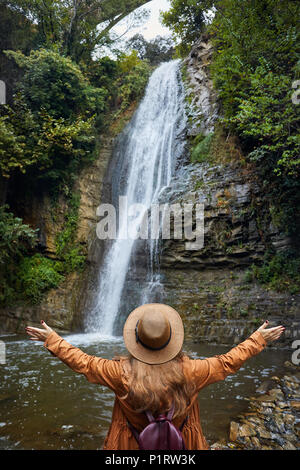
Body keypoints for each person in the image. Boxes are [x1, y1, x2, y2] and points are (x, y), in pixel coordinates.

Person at [25, 303, 285, 450]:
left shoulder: (119, 373)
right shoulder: (191, 371)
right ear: (171, 340)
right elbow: (227, 363)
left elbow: (84, 363)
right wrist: (257, 339)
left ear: (136, 340)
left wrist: (53, 340)